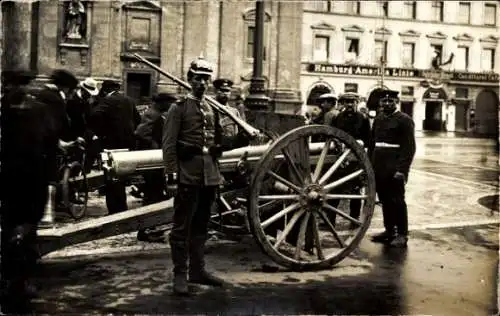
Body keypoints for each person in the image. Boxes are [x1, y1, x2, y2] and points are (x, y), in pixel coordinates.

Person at [162, 57, 249, 295]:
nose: (202, 83)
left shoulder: (211, 108)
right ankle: (180, 274)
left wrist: (238, 139)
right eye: (198, 78)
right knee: (181, 227)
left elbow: (219, 142)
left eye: (205, 79)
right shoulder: (178, 108)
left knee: (202, 225)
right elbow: (169, 145)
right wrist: (171, 175)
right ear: (190, 80)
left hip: (209, 176)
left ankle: (197, 270)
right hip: (187, 175)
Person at [0, 69, 58, 311]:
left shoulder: (4, 108)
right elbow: (51, 143)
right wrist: (52, 178)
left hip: (8, 177)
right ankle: (19, 284)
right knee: (26, 228)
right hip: (32, 179)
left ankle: (10, 279)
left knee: (9, 226)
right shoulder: (39, 110)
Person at [369, 90, 416, 247]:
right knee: (384, 200)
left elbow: (409, 148)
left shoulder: (404, 120)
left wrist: (402, 170)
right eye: (384, 101)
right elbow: (372, 144)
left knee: (397, 201)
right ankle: (389, 230)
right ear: (380, 103)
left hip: (394, 168)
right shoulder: (379, 119)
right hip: (379, 167)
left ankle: (402, 234)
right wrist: (370, 166)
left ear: (397, 102)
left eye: (391, 101)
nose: (387, 104)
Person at [89, 80, 141, 214]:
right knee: (122, 177)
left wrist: (101, 132)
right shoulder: (129, 100)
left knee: (111, 178)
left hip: (111, 145)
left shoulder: (107, 100)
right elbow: (138, 120)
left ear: (105, 90)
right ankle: (122, 208)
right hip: (128, 145)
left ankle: (114, 211)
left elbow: (94, 115)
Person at [135, 92, 178, 242]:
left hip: (155, 162)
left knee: (155, 194)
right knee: (152, 195)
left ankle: (151, 228)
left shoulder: (156, 113)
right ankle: (146, 230)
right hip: (151, 163)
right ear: (162, 103)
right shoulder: (153, 114)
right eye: (170, 103)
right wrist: (154, 146)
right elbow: (141, 133)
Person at [331, 93, 371, 228]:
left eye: (352, 102)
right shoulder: (338, 118)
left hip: (355, 159)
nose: (349, 104)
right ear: (343, 103)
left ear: (357, 103)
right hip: (339, 158)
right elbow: (331, 134)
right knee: (334, 189)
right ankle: (330, 220)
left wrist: (361, 144)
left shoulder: (363, 118)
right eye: (347, 102)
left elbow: (368, 139)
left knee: (356, 190)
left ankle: (354, 219)